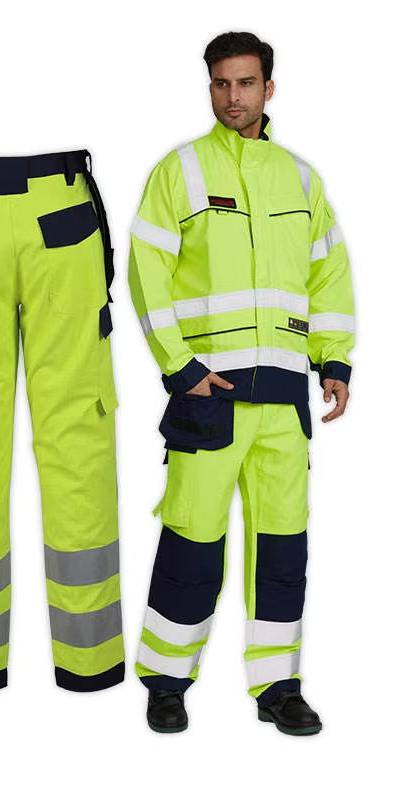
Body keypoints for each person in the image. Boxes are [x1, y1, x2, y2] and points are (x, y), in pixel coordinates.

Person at [128, 31, 354, 734]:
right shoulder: (180, 171)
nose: (234, 97)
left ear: (269, 88)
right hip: (209, 399)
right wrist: (179, 365)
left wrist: (334, 360)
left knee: (282, 548)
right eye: (222, 84)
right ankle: (167, 682)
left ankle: (278, 687)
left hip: (284, 402)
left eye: (246, 83)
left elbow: (328, 274)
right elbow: (145, 269)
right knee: (191, 543)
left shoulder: (301, 180)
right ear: (210, 88)